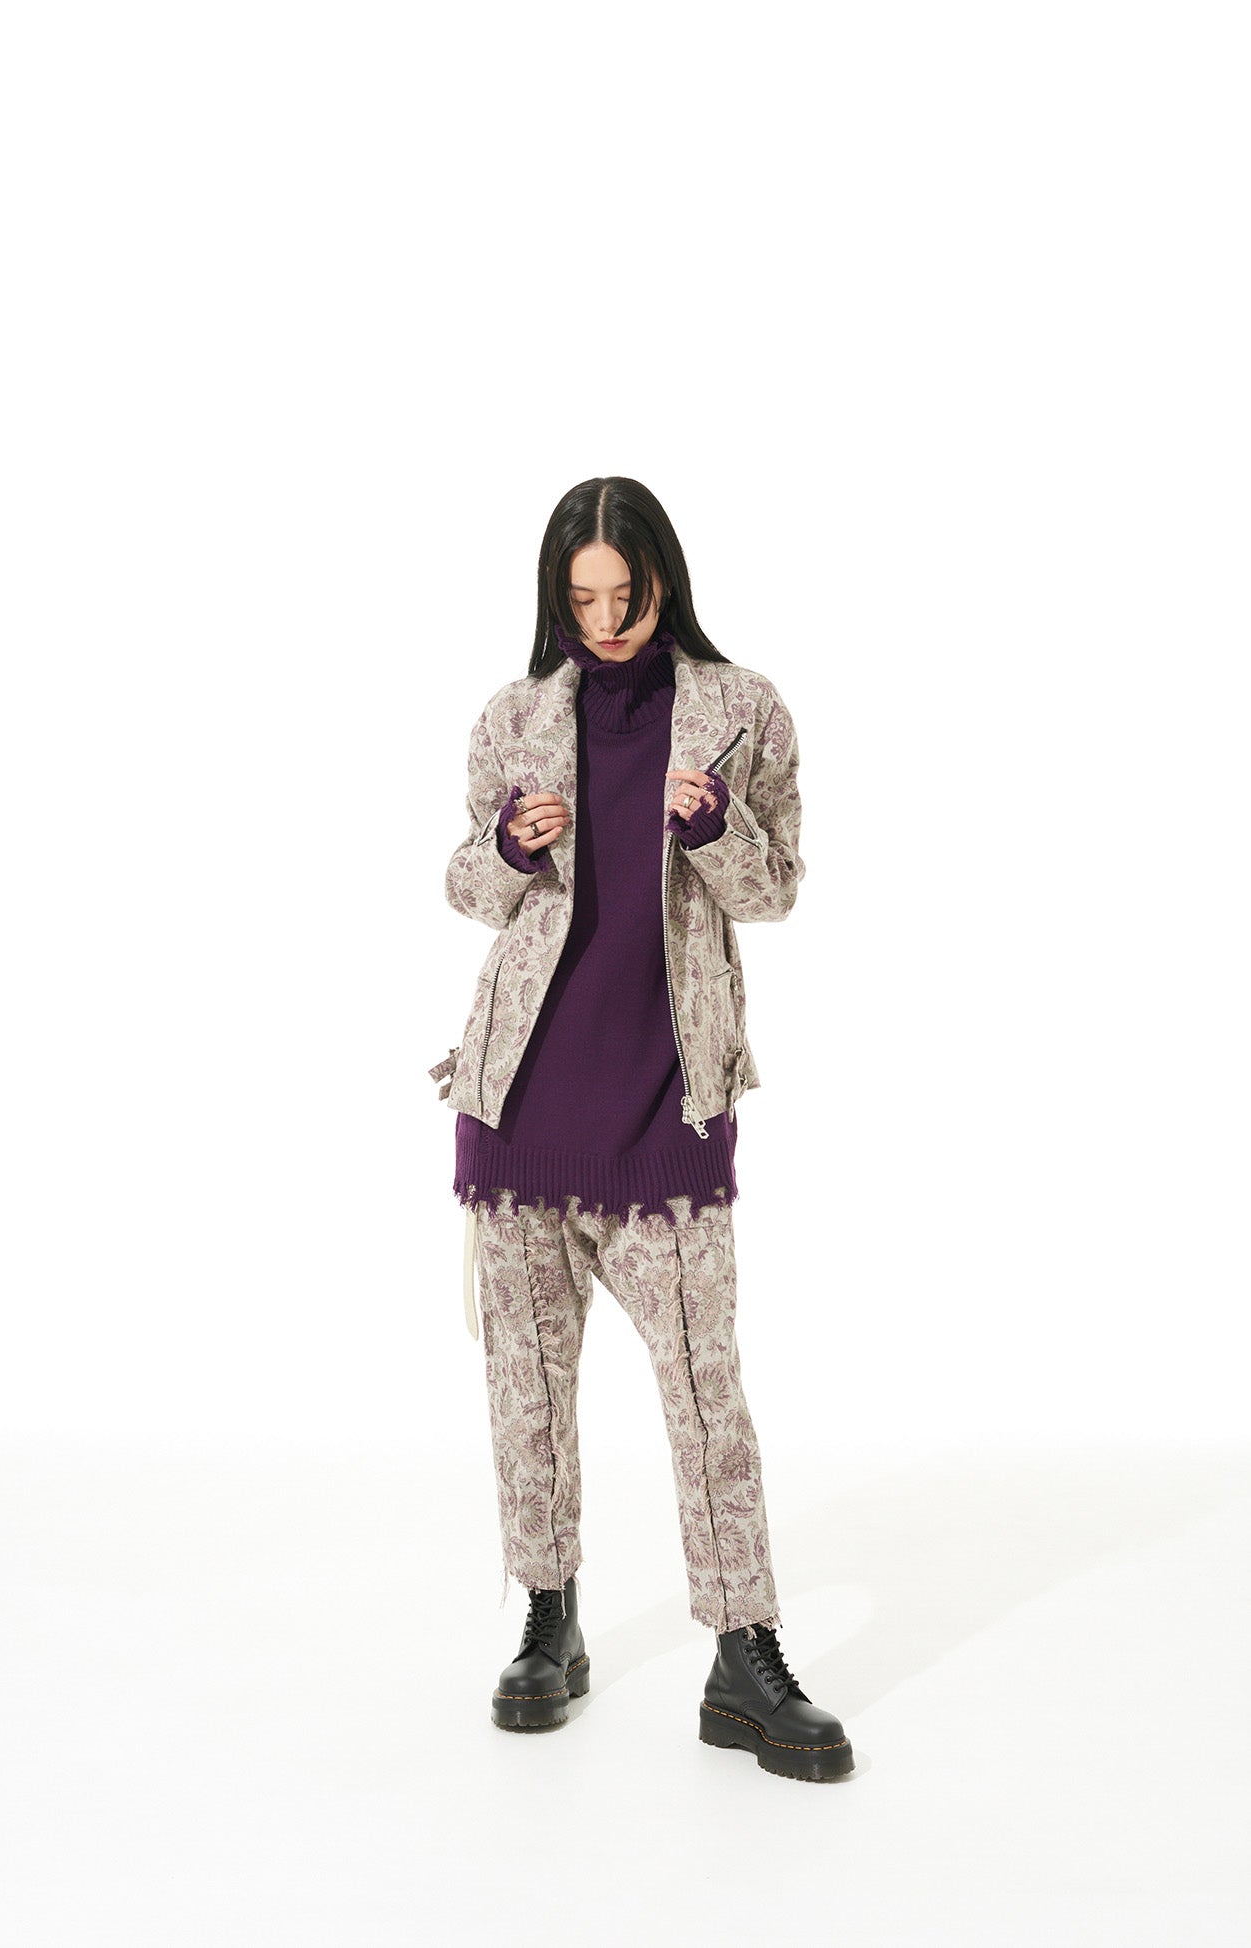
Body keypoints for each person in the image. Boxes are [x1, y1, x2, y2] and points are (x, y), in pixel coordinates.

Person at [429, 476, 853, 1781]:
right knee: (528, 1395)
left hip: (667, 1114)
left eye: (628, 595)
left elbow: (776, 889)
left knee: (708, 1397)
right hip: (520, 1113)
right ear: (556, 599)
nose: (607, 622)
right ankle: (547, 1618)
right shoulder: (513, 716)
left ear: (666, 580)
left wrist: (715, 828)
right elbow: (466, 884)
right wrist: (511, 846)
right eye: (583, 600)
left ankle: (744, 1651)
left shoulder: (742, 710)